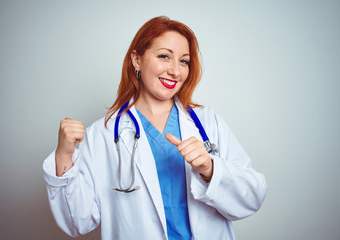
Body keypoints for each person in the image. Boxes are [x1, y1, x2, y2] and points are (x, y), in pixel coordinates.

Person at [43, 16, 267, 240]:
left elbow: (252, 197)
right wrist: (64, 155)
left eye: (184, 61)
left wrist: (210, 169)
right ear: (136, 60)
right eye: (164, 56)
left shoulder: (207, 122)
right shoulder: (103, 134)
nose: (175, 71)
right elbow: (77, 223)